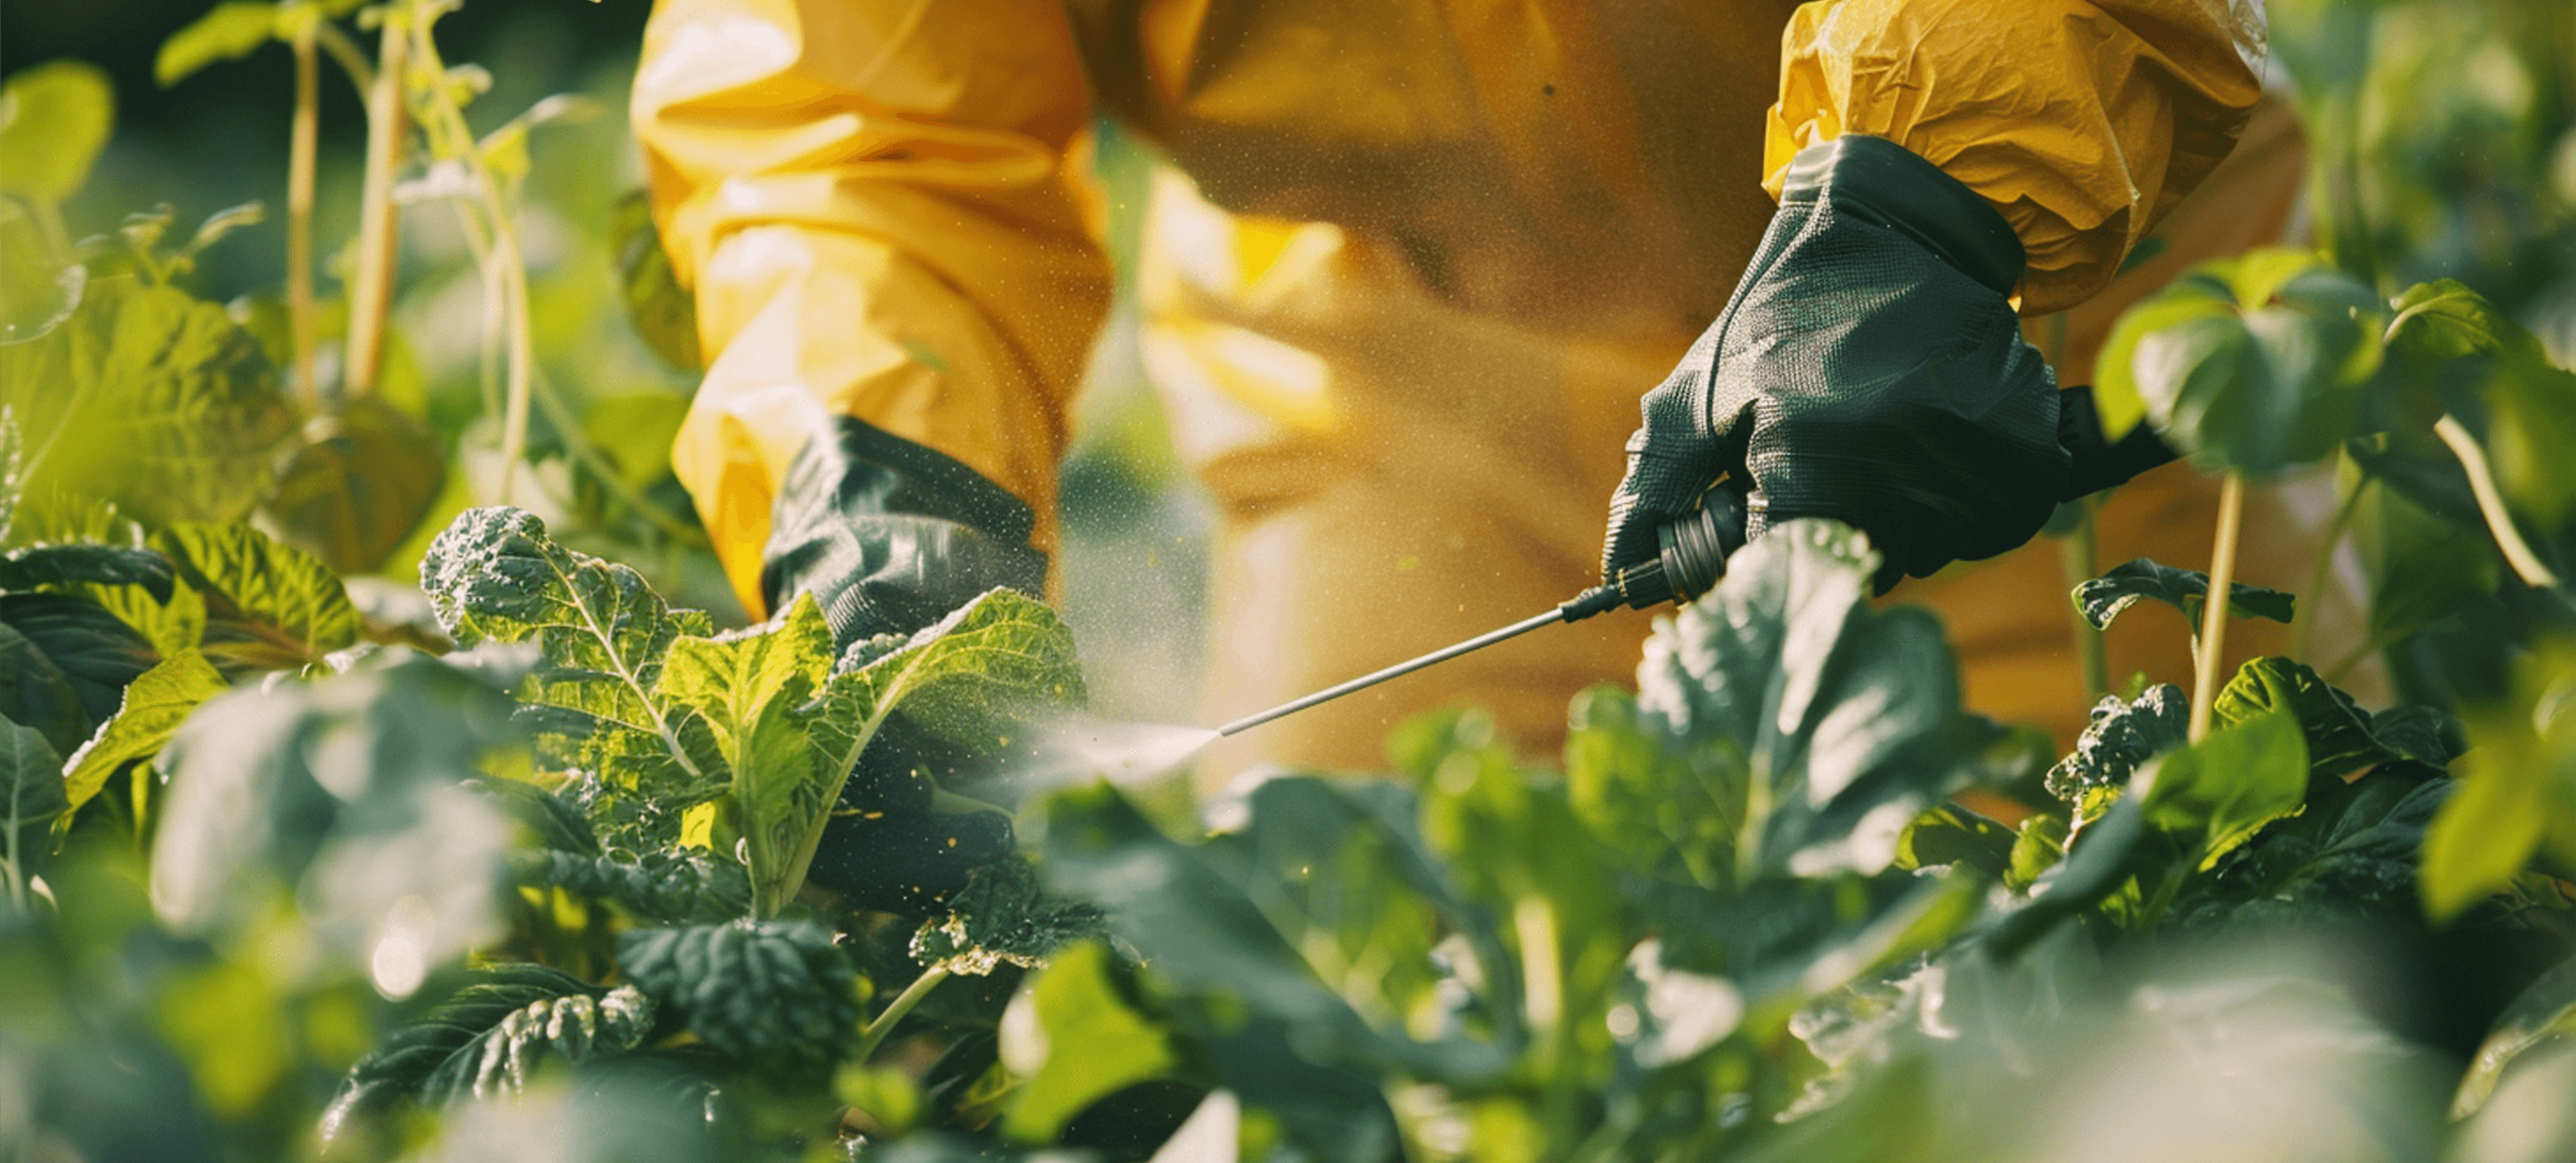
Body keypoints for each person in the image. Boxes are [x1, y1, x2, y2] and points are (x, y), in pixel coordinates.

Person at [631, 0, 2352, 797]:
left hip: (2002, 339)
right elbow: (851, 121)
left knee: (2181, 987)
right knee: (1365, 1012)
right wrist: (876, 481)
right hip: (1411, 385)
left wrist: (1930, 210)